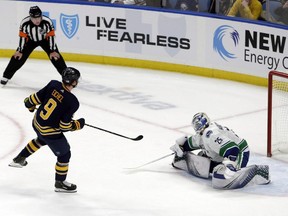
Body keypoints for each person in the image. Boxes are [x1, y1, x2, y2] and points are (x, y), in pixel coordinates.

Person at [9, 67, 85, 193]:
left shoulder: (53, 84)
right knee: (65, 154)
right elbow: (64, 126)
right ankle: (60, 183)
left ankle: (19, 159)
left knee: (41, 139)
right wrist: (77, 125)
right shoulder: (72, 102)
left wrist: (29, 106)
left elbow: (32, 100)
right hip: (49, 131)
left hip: (37, 123)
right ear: (73, 82)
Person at [170, 112, 270, 189]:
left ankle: (258, 171)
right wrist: (181, 146)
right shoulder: (203, 134)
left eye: (199, 124)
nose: (198, 127)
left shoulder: (211, 134)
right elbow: (192, 142)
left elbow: (234, 149)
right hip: (223, 153)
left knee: (225, 179)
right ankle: (212, 165)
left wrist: (229, 164)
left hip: (240, 152)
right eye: (196, 125)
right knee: (205, 159)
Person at [0, 6, 67, 86]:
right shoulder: (25, 23)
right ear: (30, 17)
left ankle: (67, 77)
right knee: (18, 57)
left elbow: (51, 36)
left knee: (56, 57)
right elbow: (23, 37)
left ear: (41, 15)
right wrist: (20, 50)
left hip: (45, 40)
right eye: (34, 18)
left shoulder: (47, 22)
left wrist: (52, 51)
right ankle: (6, 76)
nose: (37, 20)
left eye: (39, 17)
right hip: (30, 41)